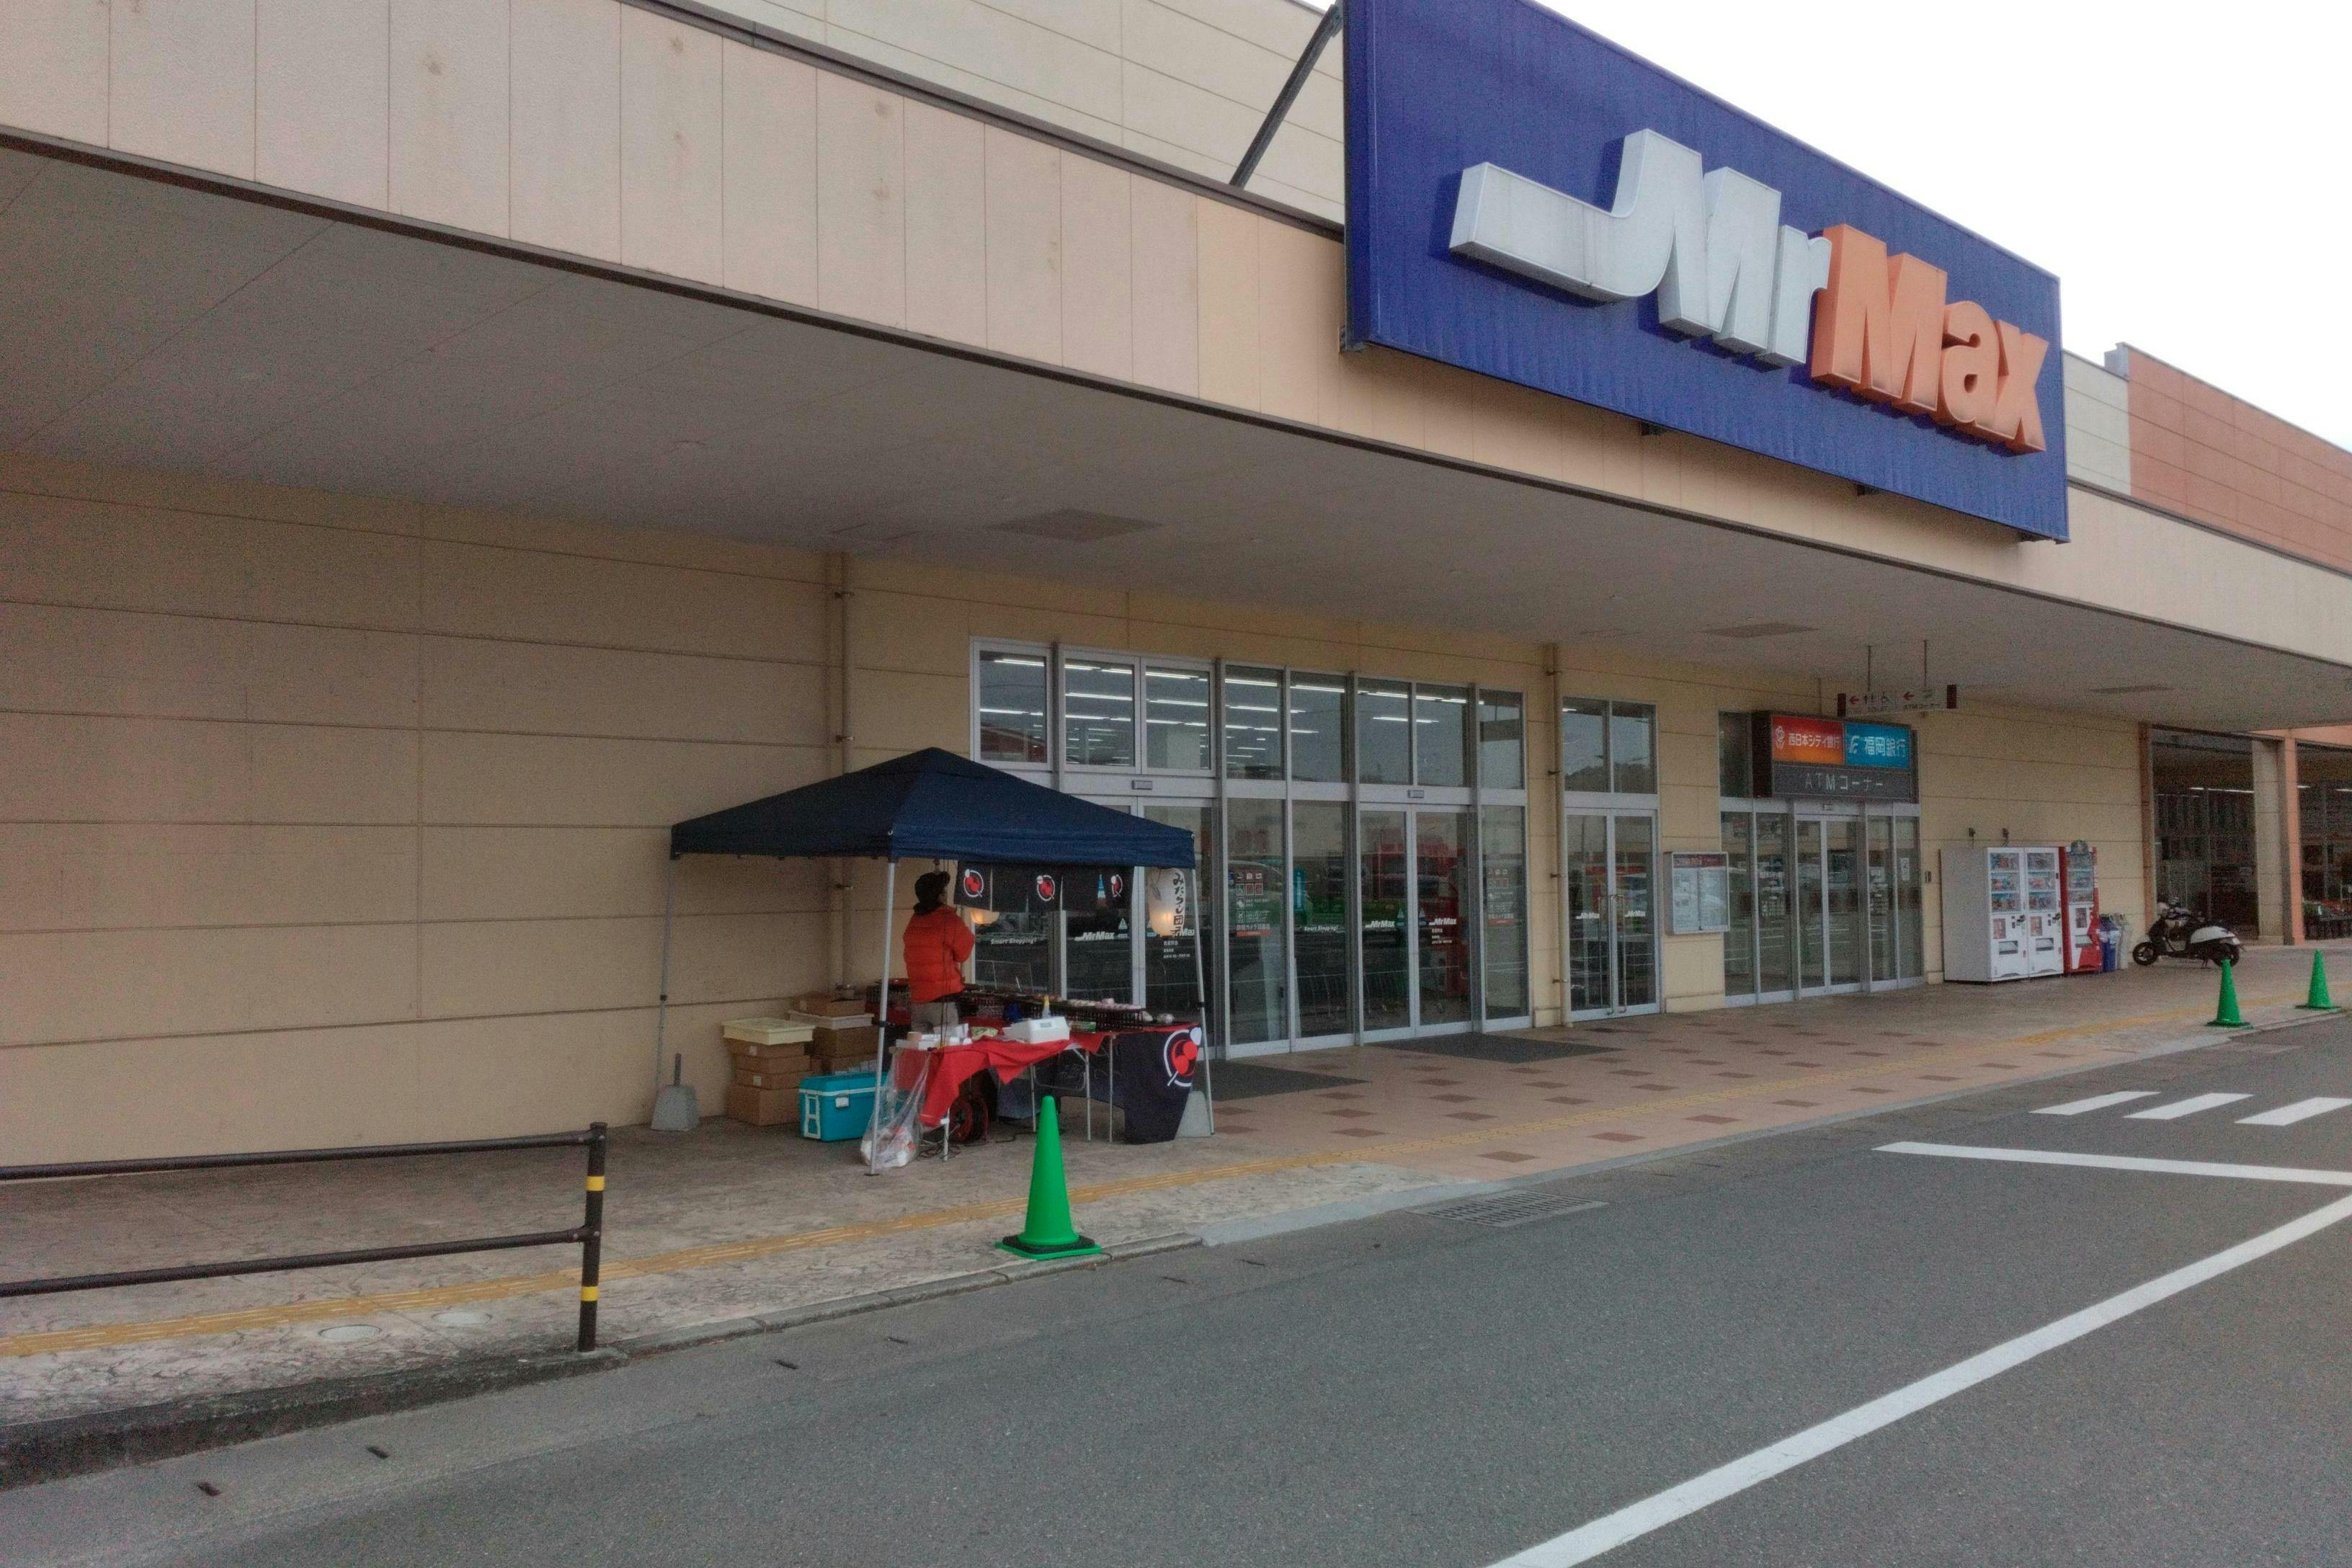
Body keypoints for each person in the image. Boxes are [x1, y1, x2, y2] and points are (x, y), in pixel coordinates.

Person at [902, 870, 975, 1034]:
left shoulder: (914, 921)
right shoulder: (949, 920)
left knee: (922, 1048)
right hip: (944, 1001)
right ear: (940, 895)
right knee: (947, 1047)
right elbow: (963, 954)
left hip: (918, 1001)